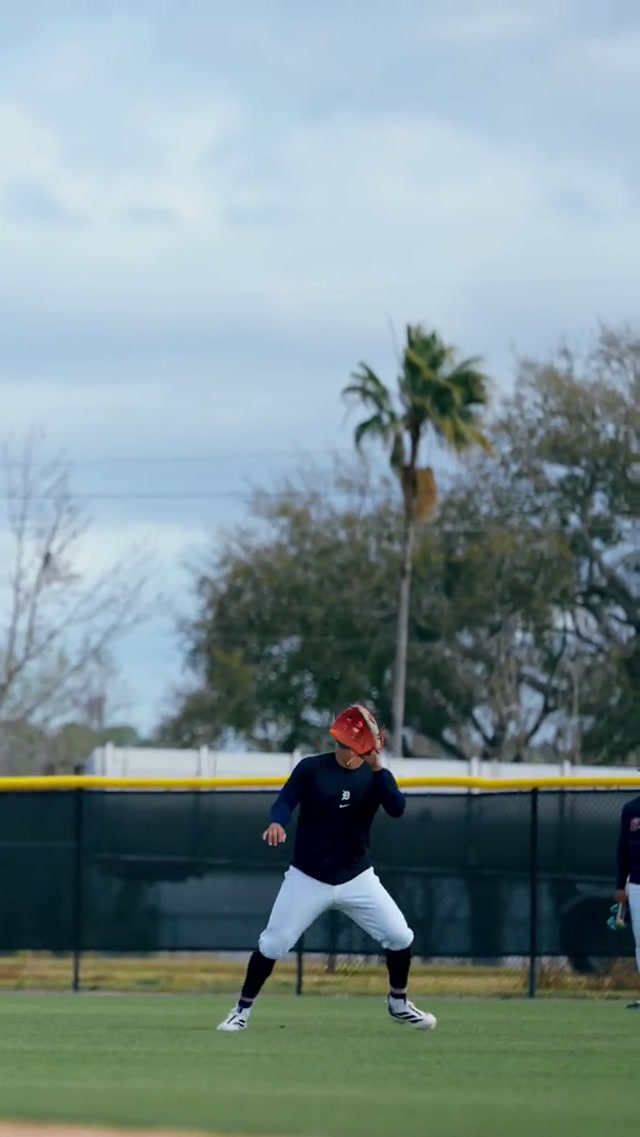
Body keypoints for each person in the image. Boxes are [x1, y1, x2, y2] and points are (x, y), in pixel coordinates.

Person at [217, 704, 436, 1032]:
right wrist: (277, 822)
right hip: (308, 877)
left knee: (399, 936)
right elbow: (285, 801)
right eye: (340, 743)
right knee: (273, 944)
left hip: (357, 877)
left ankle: (399, 1003)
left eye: (349, 744)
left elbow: (397, 808)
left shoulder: (375, 776)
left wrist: (378, 769)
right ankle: (241, 1011)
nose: (342, 749)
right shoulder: (312, 769)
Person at [615, 789, 640, 1009]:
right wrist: (620, 885)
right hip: (637, 884)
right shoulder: (631, 809)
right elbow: (623, 849)